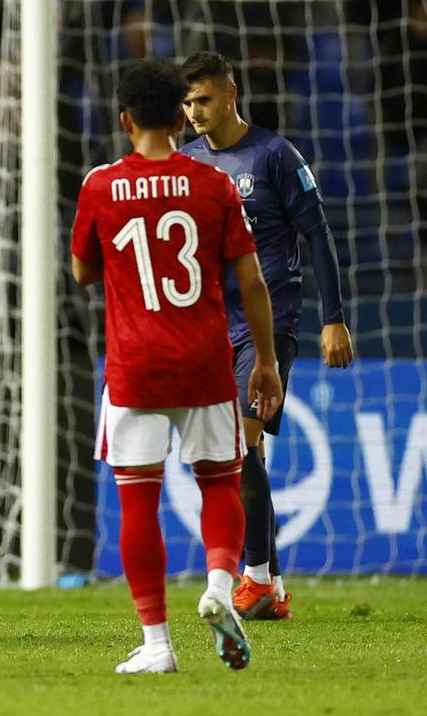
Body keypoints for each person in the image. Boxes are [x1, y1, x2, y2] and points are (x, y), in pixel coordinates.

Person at [70, 59, 283, 674]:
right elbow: (252, 280)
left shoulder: (100, 184)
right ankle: (220, 589)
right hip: (204, 362)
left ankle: (158, 645)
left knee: (138, 501)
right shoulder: (213, 184)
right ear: (178, 115)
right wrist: (265, 360)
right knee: (220, 481)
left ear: (126, 119)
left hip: (135, 366)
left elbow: (83, 271)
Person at [180, 51, 353, 620]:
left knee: (234, 447)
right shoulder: (186, 163)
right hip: (209, 330)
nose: (194, 111)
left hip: (268, 326)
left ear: (231, 93)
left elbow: (318, 234)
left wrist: (334, 317)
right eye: (186, 102)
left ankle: (252, 580)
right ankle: (270, 584)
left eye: (203, 99)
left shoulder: (275, 155)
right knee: (242, 452)